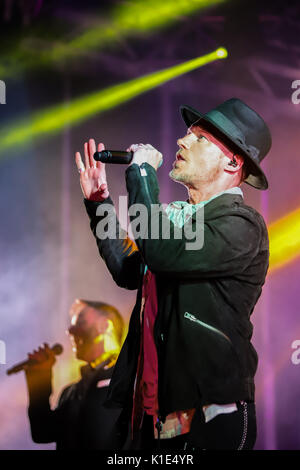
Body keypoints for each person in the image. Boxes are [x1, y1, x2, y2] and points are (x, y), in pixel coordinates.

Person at [75, 98, 271, 450]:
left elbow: (162, 252)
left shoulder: (242, 225)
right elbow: (129, 270)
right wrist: (99, 204)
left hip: (209, 415)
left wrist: (142, 173)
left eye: (198, 139)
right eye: (185, 135)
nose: (182, 142)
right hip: (155, 413)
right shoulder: (179, 222)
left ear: (233, 160)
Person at [24, 299, 129, 449]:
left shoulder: (128, 378)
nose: (70, 330)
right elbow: (42, 432)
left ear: (104, 326)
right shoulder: (70, 392)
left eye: (81, 323)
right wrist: (40, 376)